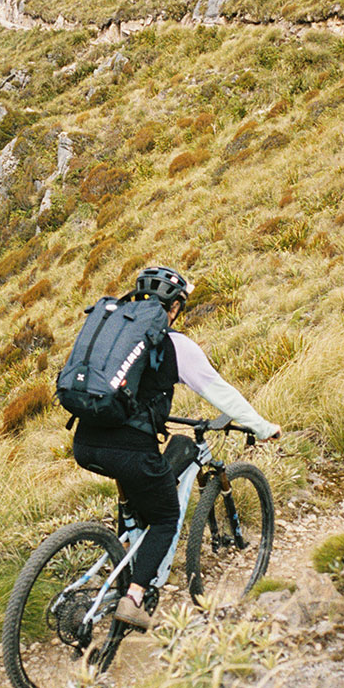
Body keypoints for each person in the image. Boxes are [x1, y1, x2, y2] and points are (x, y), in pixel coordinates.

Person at [71, 265, 280, 630]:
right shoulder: (175, 345)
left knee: (139, 496)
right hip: (130, 449)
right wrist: (262, 427)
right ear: (174, 307)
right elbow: (220, 392)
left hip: (86, 442)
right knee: (166, 517)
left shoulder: (114, 334)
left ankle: (126, 557)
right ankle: (133, 597)